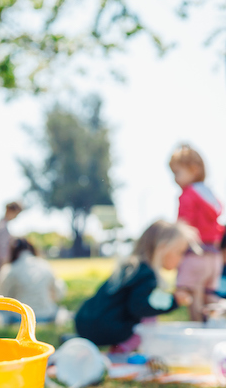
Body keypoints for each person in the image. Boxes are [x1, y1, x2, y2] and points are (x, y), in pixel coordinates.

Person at [74, 220, 199, 354]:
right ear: (163, 249)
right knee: (149, 320)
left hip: (86, 321)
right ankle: (121, 350)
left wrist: (170, 298)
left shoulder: (133, 267)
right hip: (105, 327)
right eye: (180, 252)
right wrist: (174, 300)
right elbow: (140, 307)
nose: (181, 258)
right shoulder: (146, 273)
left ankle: (85, 345)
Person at [169, 144, 224, 321]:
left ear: (193, 170)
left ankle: (199, 333)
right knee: (209, 296)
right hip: (214, 257)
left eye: (177, 173)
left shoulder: (188, 195)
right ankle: (216, 329)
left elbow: (183, 227)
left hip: (195, 254)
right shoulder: (209, 195)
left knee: (193, 295)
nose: (174, 179)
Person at [0, 238, 66, 324]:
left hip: (19, 318)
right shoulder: (45, 265)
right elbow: (59, 293)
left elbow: (0, 298)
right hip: (46, 315)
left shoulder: (9, 269)